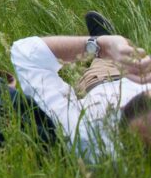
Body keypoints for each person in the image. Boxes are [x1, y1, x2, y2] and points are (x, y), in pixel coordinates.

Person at [10, 12, 151, 163]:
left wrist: (102, 45)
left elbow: (27, 54)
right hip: (140, 73)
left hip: (102, 81)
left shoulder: (82, 131)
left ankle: (102, 40)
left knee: (100, 65)